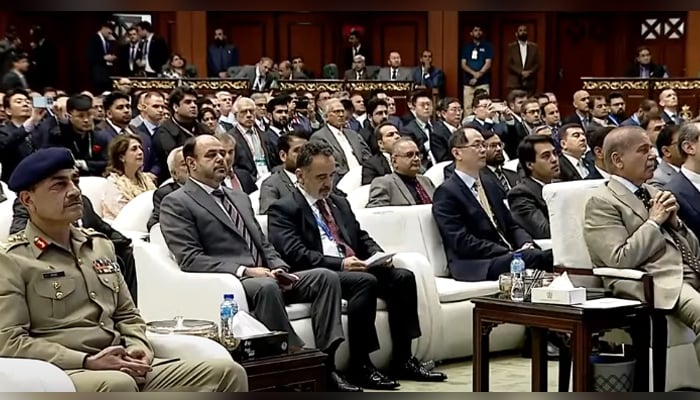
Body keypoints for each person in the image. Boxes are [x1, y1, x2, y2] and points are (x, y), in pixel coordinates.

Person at [0, 147, 248, 392]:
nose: (74, 191)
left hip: (124, 362)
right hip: (66, 372)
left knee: (227, 372)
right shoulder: (12, 259)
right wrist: (87, 361)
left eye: (75, 181)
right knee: (119, 384)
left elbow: (128, 316)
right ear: (28, 200)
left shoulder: (99, 246)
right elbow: (10, 341)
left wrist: (138, 348)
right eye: (59, 185)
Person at [159, 135, 358, 392]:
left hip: (267, 274)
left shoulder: (239, 197)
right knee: (266, 286)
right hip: (233, 281)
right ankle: (292, 359)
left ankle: (325, 364)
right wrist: (246, 270)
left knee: (325, 277)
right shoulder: (177, 202)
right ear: (191, 163)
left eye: (223, 153)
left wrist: (279, 267)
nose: (221, 159)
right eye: (211, 155)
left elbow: (263, 243)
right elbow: (190, 258)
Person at [267, 141, 447, 390]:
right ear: (300, 175)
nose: (328, 183)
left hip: (353, 265)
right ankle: (361, 364)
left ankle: (403, 359)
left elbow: (360, 236)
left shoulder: (338, 202)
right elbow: (294, 253)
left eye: (331, 175)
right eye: (321, 177)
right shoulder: (284, 208)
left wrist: (377, 254)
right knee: (365, 282)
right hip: (319, 273)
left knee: (403, 278)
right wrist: (340, 263)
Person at [584, 126, 700, 365]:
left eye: (651, 149)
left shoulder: (654, 191)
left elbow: (694, 250)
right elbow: (618, 259)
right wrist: (654, 222)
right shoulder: (601, 201)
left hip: (687, 272)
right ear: (618, 160)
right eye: (643, 150)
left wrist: (676, 224)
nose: (653, 155)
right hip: (653, 281)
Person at [101, 134, 157, 220]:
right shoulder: (113, 183)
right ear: (121, 157)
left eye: (140, 148)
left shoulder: (146, 179)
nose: (140, 152)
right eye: (134, 149)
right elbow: (123, 214)